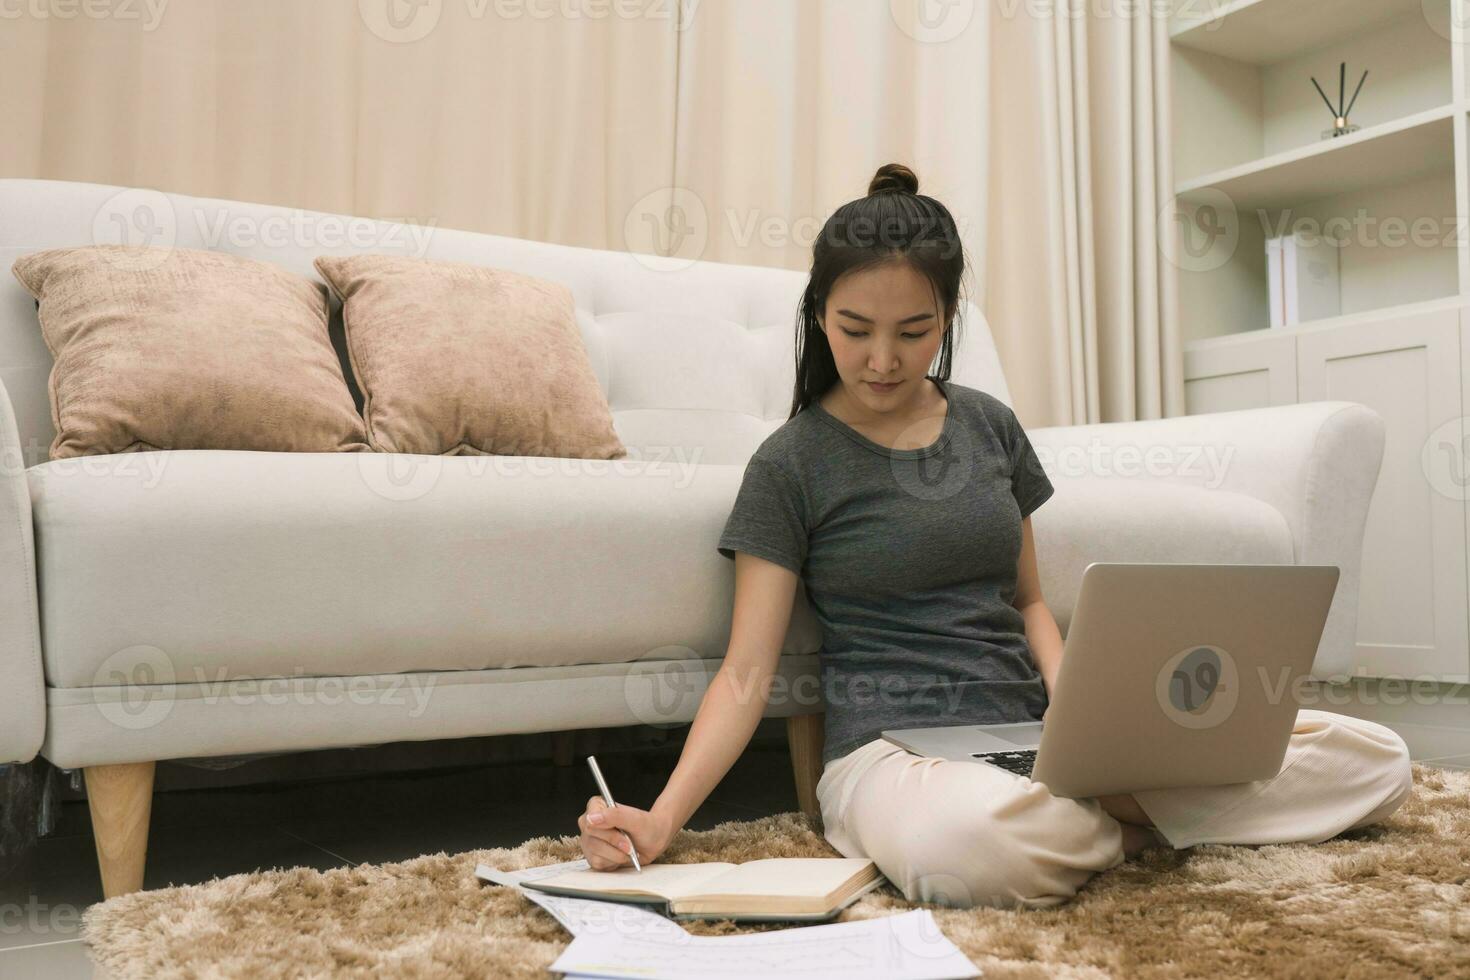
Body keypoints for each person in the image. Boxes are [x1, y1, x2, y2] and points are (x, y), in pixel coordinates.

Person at [577, 163, 1415, 910]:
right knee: (973, 847)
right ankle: (1133, 825)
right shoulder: (789, 463)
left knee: (1377, 757)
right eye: (854, 328)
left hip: (1037, 746)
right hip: (895, 759)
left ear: (947, 319)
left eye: (914, 332)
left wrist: (1088, 722)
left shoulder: (989, 426)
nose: (880, 360)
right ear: (818, 314)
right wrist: (663, 817)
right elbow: (747, 672)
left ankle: (1100, 808)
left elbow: (1031, 603)